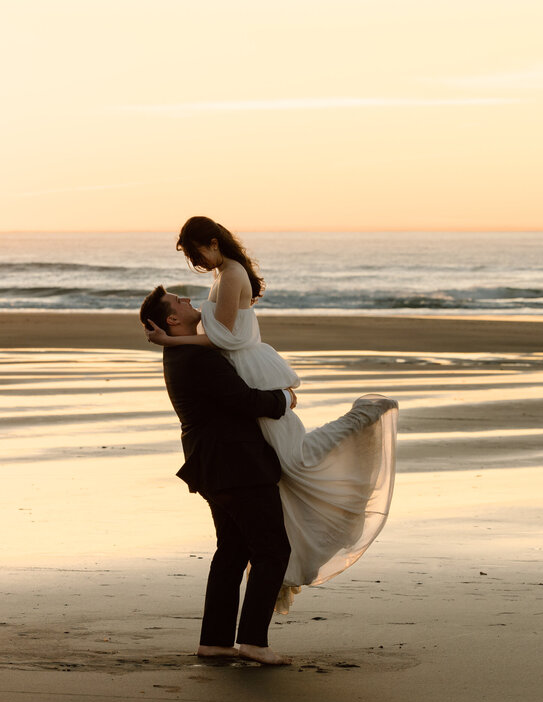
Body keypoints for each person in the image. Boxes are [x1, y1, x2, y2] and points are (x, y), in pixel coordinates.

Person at [147, 216, 398, 612]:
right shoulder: (222, 276)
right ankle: (275, 580)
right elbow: (223, 337)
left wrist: (172, 341)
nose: (197, 264)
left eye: (198, 253)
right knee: (286, 465)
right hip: (243, 378)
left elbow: (227, 337)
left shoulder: (230, 275)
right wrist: (177, 342)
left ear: (213, 242)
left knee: (295, 457)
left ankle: (362, 415)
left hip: (250, 371)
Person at [139, 285, 296, 665]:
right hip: (236, 465)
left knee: (233, 549)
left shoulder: (182, 353)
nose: (189, 301)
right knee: (272, 549)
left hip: (212, 465)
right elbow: (243, 400)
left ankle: (215, 640)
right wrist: (284, 399)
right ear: (172, 319)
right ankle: (253, 642)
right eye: (179, 301)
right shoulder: (194, 357)